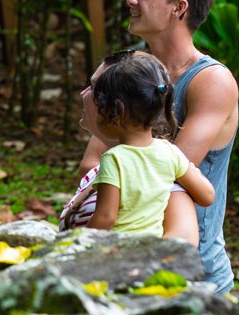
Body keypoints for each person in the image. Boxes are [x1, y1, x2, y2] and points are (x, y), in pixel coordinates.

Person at [69, 0, 239, 290]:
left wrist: (116, 151)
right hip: (121, 266)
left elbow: (165, 174)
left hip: (193, 274)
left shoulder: (211, 81)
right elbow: (90, 164)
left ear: (179, 8)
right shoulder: (134, 69)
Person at [81, 51, 215, 236]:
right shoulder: (170, 152)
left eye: (101, 105)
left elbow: (106, 218)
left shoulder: (114, 159)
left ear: (117, 111)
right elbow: (207, 196)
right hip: (151, 251)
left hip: (119, 252)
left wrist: (77, 242)